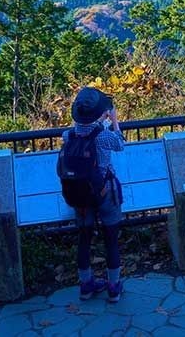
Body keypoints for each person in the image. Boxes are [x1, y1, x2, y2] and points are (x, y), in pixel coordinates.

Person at [64, 86, 125, 302]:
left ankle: (86, 286)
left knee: (84, 239)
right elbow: (120, 144)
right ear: (100, 113)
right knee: (111, 240)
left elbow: (83, 132)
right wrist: (114, 121)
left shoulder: (67, 135)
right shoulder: (103, 136)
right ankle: (114, 287)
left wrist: (100, 120)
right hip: (105, 192)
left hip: (79, 194)